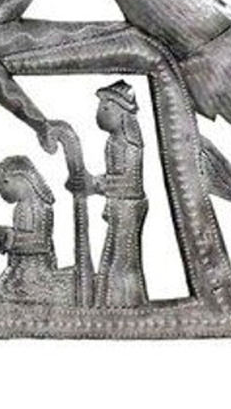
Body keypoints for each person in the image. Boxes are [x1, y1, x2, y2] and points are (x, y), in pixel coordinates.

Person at [93, 81, 148, 308]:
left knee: (122, 259)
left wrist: (98, 184)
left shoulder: (129, 145)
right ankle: (111, 302)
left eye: (106, 108)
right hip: (119, 207)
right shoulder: (113, 142)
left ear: (122, 112)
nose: (100, 113)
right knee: (113, 255)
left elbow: (131, 183)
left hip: (128, 208)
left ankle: (125, 303)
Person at [0, 155, 69, 304]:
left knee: (2, 292)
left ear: (21, 178)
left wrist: (10, 237)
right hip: (19, 268)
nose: (3, 190)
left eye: (5, 183)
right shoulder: (21, 207)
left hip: (35, 270)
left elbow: (42, 242)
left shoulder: (40, 207)